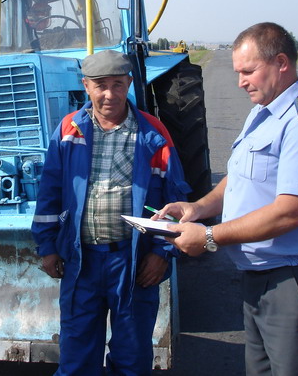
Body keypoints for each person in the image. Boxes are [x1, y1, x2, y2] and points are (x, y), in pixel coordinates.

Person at [156, 22, 298, 375]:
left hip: (294, 278)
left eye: (248, 71)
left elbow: (290, 214)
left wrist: (209, 236)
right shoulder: (263, 112)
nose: (240, 81)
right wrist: (199, 208)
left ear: (282, 63)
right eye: (238, 72)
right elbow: (239, 177)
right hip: (258, 275)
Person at [32, 50, 190, 376]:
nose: (109, 95)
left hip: (132, 264)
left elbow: (175, 198)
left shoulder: (153, 134)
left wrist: (161, 252)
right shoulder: (68, 130)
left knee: (132, 358)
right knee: (76, 358)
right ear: (85, 86)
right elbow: (49, 191)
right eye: (100, 85)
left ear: (129, 84)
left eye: (117, 85)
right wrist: (47, 247)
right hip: (81, 263)